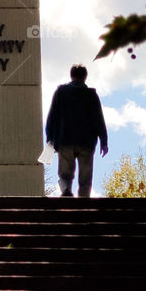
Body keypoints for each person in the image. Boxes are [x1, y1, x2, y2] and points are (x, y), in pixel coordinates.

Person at [45, 64, 108, 197]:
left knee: (64, 173)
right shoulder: (91, 95)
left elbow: (52, 116)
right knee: (85, 176)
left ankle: (66, 191)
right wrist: (104, 141)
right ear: (85, 77)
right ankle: (83, 202)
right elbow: (98, 118)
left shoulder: (61, 92)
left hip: (65, 139)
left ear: (71, 75)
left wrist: (50, 138)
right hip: (86, 141)